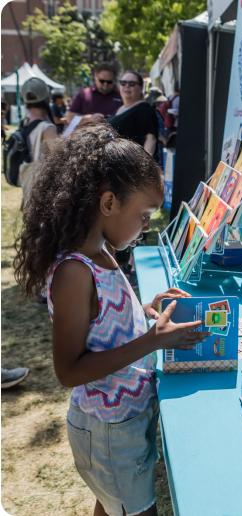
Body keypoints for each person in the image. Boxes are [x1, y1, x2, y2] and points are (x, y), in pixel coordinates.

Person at [13, 123, 209, 516]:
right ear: (108, 204)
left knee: (112, 503)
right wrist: (152, 340)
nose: (148, 225)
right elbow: (68, 371)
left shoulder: (101, 251)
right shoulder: (74, 271)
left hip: (122, 424)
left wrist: (147, 308)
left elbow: (106, 324)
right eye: (145, 214)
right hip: (108, 430)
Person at [18, 77, 57, 207]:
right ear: (47, 98)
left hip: (28, 188)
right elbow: (61, 155)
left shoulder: (25, 122)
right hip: (42, 191)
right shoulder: (47, 128)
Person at [109, 71, 159, 157]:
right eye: (123, 83)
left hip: (130, 166)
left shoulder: (144, 109)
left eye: (131, 83)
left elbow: (151, 139)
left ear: (140, 88)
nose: (127, 86)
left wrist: (144, 167)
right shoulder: (119, 109)